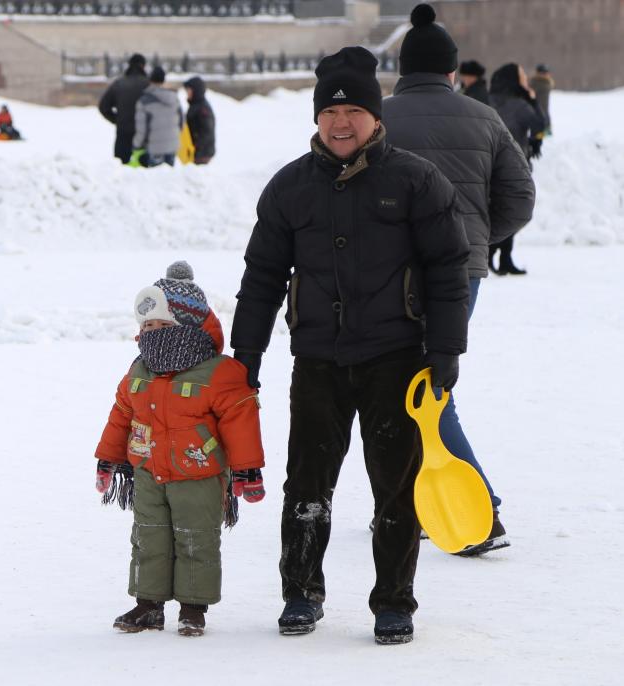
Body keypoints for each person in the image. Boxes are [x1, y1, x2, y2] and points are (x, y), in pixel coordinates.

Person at [231, 46, 470, 645]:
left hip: (396, 359)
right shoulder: (289, 187)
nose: (343, 123)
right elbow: (261, 277)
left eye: (355, 112)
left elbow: (448, 268)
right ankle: (301, 593)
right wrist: (247, 354)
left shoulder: (416, 179)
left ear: (376, 116)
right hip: (318, 360)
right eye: (332, 113)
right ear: (317, 119)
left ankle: (394, 601)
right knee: (307, 486)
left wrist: (446, 350)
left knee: (397, 485)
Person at [383, 2, 534, 555]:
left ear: (403, 69)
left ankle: (479, 509)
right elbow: (520, 198)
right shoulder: (485, 117)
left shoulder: (380, 116)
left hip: (389, 275)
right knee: (428, 380)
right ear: (451, 71)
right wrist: (477, 240)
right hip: (461, 274)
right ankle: (420, 500)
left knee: (419, 387)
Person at [94, 261, 265, 638]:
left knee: (196, 538)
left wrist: (247, 470)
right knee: (148, 535)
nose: (149, 334)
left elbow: (241, 419)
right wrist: (109, 458)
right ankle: (148, 605)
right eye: (145, 327)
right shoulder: (140, 370)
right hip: (148, 470)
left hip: (199, 474)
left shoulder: (219, 372)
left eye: (159, 326)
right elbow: (122, 415)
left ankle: (193, 608)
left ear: (185, 325)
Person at [488, 63, 546, 275]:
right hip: (515, 165)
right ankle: (497, 254)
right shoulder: (521, 105)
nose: (526, 78)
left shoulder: (488, 100)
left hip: (489, 164)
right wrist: (532, 98)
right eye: (522, 75)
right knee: (514, 211)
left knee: (496, 210)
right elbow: (541, 124)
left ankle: (499, 256)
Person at [98, 53, 150, 164]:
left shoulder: (119, 84)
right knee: (145, 174)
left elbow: (103, 107)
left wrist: (117, 120)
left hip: (123, 133)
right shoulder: (149, 85)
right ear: (143, 66)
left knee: (121, 170)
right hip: (144, 135)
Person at [132, 66, 183, 167]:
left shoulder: (144, 101)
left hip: (155, 148)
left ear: (150, 79)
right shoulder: (174, 98)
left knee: (156, 179)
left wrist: (136, 145)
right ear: (163, 80)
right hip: (172, 146)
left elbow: (141, 129)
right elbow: (181, 122)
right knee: (169, 179)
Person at [183, 76, 215, 165]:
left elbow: (207, 132)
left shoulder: (202, 108)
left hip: (202, 154)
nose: (187, 92)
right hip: (196, 152)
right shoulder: (195, 105)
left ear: (196, 90)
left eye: (189, 90)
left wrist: (196, 147)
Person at [531, 64, 554, 135]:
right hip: (540, 116)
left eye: (546, 72)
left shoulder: (539, 83)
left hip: (540, 117)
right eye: (544, 73)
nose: (545, 74)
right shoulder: (546, 82)